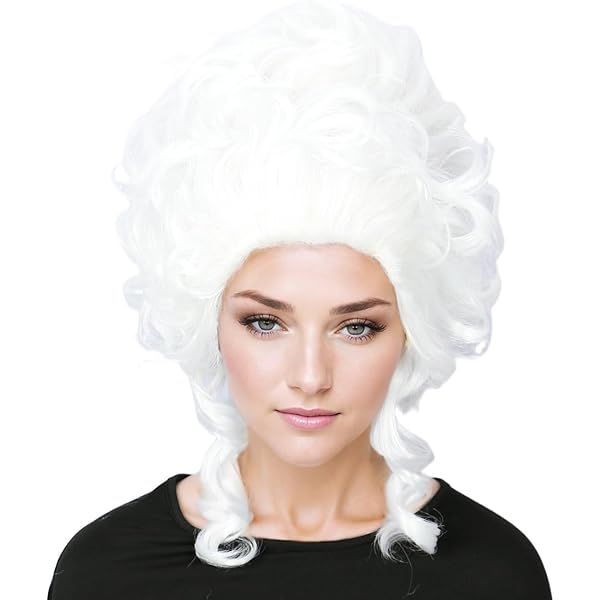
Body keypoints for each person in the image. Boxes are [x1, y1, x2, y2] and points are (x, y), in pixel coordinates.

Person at [47, 0, 553, 598]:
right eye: (265, 322)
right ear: (208, 323)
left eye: (357, 327)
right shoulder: (108, 573)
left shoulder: (491, 573)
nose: (311, 377)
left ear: (412, 332)